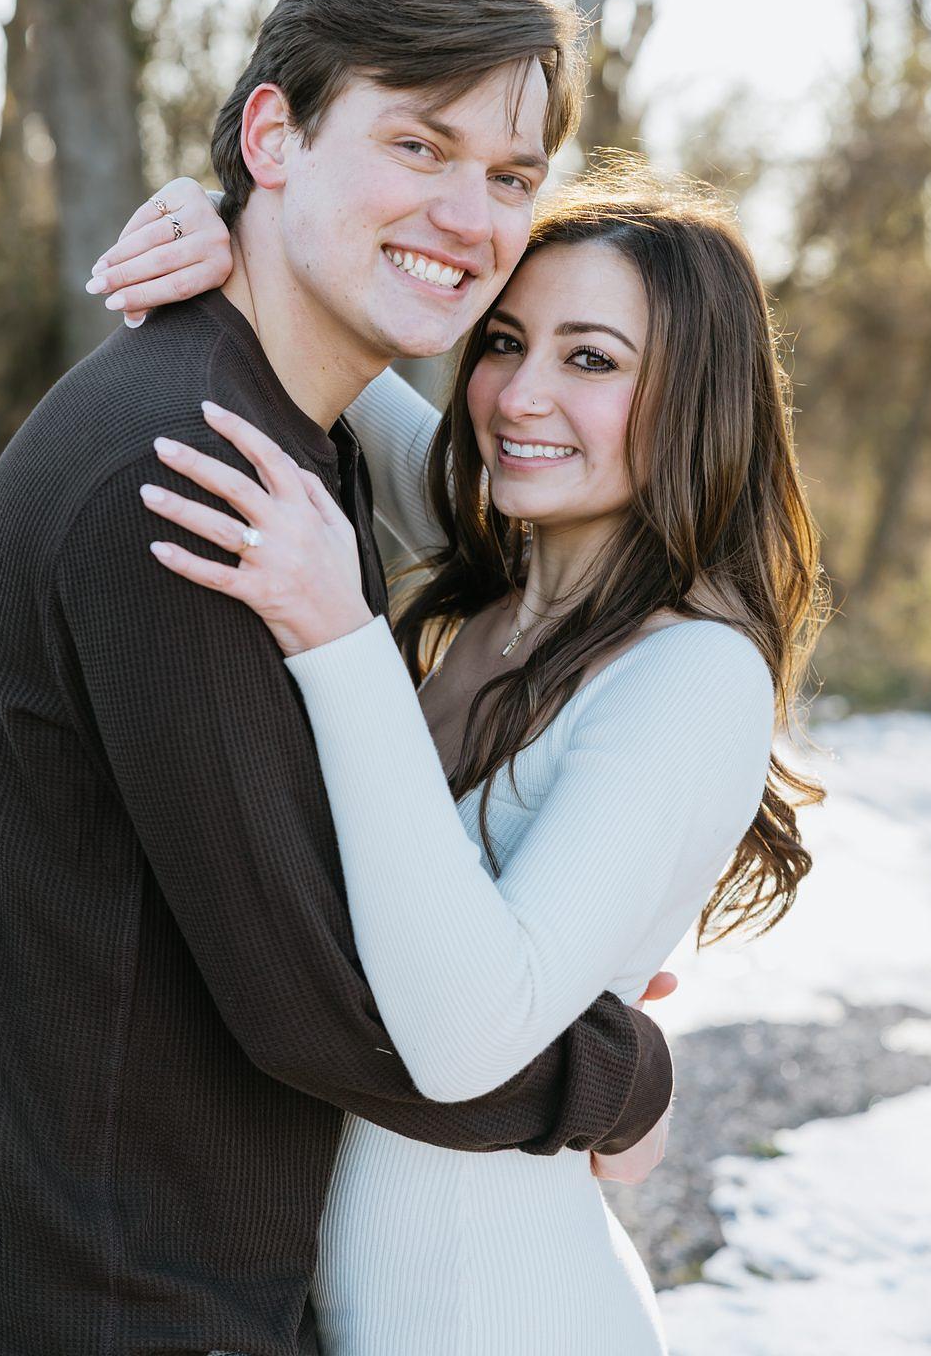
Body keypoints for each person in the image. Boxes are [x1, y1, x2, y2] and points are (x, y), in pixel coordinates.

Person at [0, 0, 676, 1356]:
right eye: (420, 143)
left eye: (510, 175)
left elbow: (536, 555)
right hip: (89, 1309)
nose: (468, 216)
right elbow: (317, 993)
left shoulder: (280, 431)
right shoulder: (190, 478)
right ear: (274, 135)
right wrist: (617, 1076)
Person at [99, 165, 828, 1354]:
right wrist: (222, 226)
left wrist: (338, 637)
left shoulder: (693, 677)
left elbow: (462, 1040)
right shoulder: (506, 579)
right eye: (503, 342)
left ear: (701, 398)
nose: (519, 396)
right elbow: (333, 359)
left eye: (591, 359)